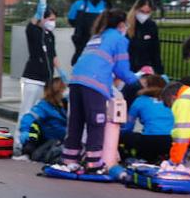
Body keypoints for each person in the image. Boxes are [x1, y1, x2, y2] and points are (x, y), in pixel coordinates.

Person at [60, 9, 140, 173]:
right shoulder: (119, 39)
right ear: (121, 24)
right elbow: (122, 69)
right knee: (96, 121)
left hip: (76, 81)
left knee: (76, 120)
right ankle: (94, 163)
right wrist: (138, 81)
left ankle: (69, 160)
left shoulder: (96, 37)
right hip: (94, 82)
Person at [120, 74, 174, 163]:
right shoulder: (171, 100)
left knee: (124, 136)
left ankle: (128, 158)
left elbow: (128, 125)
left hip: (149, 141)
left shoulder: (140, 100)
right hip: (171, 140)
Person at [20, 7, 58, 123]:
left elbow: (53, 56)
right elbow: (30, 25)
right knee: (27, 111)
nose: (53, 23)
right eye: (50, 19)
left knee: (39, 113)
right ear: (43, 18)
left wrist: (60, 72)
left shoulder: (50, 36)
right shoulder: (34, 31)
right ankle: (20, 139)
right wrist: (37, 14)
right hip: (33, 79)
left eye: (54, 20)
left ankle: (34, 138)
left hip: (46, 80)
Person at [17, 77, 68, 162]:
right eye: (64, 88)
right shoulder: (44, 106)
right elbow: (29, 118)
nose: (66, 91)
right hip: (51, 141)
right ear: (59, 90)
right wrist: (25, 132)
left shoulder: (65, 105)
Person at [66, 0, 107, 64]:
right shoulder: (79, 4)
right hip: (82, 38)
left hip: (101, 38)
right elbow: (71, 19)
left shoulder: (106, 5)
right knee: (81, 59)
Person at [127, 0, 163, 76]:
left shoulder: (151, 26)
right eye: (142, 12)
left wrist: (159, 71)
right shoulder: (128, 25)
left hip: (146, 69)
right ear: (136, 10)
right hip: (130, 68)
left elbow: (155, 50)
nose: (144, 15)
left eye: (147, 12)